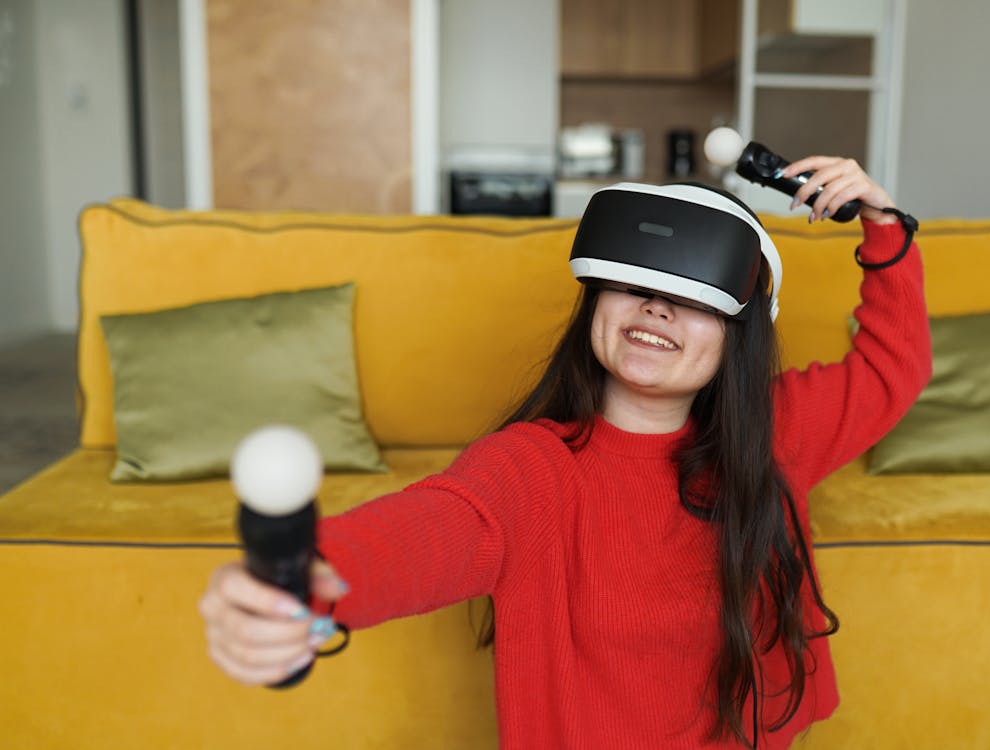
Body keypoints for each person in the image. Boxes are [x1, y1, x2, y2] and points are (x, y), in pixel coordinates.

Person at [198, 156, 931, 749]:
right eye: (635, 283)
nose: (655, 305)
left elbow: (891, 369)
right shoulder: (529, 470)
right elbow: (419, 534)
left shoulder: (776, 434)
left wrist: (883, 228)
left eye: (692, 296)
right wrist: (299, 588)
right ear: (596, 303)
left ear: (736, 334)